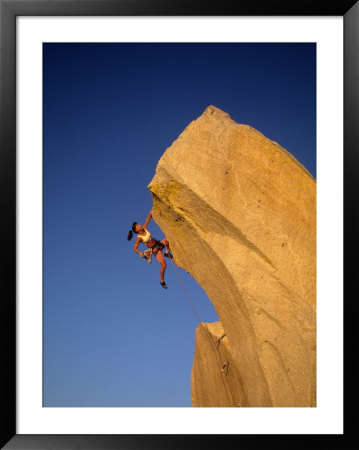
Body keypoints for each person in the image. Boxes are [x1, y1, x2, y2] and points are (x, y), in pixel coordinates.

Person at [127, 210, 172, 289]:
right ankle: (162, 281)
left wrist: (151, 212)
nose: (139, 225)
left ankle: (167, 251)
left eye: (138, 224)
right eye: (137, 226)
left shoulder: (144, 228)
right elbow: (134, 248)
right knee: (164, 265)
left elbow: (148, 218)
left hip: (158, 243)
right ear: (136, 230)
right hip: (154, 250)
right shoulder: (139, 238)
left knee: (169, 240)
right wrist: (140, 253)